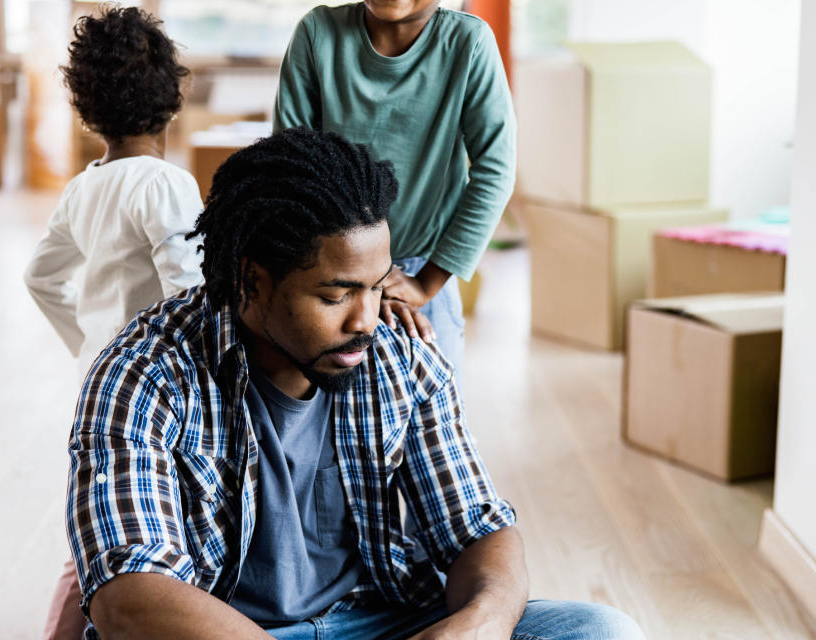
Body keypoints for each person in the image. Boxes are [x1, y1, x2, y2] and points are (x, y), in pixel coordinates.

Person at [65, 128, 644, 640]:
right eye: (335, 294)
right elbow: (129, 598)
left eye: (376, 284)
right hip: (227, 630)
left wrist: (480, 624)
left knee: (602, 632)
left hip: (378, 618)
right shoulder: (143, 373)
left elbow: (477, 529)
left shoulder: (397, 352)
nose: (367, 319)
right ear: (252, 280)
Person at [23, 6, 202, 638]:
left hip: (97, 386)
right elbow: (191, 291)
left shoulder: (82, 188)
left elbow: (40, 278)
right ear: (172, 101)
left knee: (92, 534)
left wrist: (91, 345)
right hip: (160, 393)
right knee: (160, 528)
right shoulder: (166, 185)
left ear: (85, 110)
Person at [273, 0, 516, 382]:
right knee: (326, 425)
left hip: (421, 278)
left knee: (429, 427)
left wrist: (425, 284)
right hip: (328, 275)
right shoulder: (318, 33)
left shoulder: (468, 43)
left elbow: (496, 172)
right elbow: (290, 164)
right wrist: (348, 276)